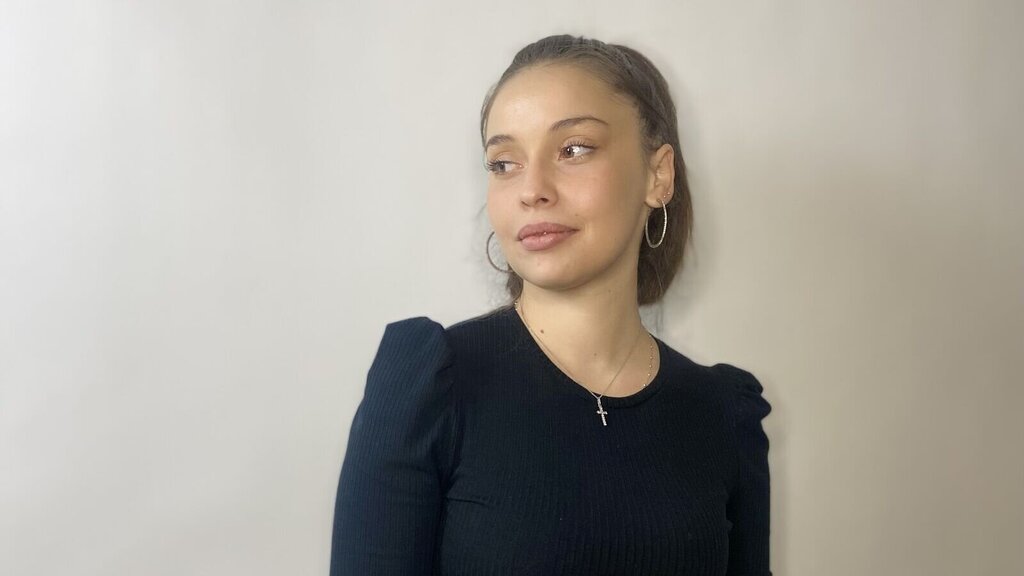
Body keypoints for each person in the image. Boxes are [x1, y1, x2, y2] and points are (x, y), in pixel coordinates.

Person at [329, 34, 773, 575]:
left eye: (573, 149)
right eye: (503, 163)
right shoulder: (429, 387)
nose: (532, 189)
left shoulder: (723, 415)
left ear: (659, 175)